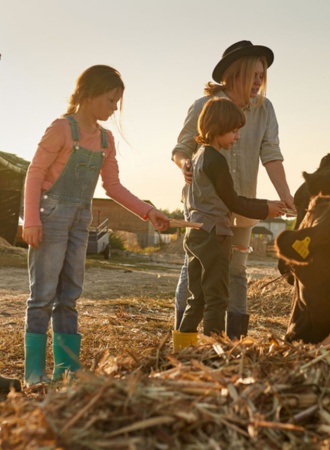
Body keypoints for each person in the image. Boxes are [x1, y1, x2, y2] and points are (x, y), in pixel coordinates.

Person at [22, 65, 169, 386]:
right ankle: (33, 373)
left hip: (80, 220)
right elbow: (34, 174)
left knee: (70, 294)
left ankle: (67, 370)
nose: (114, 108)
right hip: (50, 217)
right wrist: (31, 219)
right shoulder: (61, 129)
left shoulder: (105, 139)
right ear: (89, 94)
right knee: (43, 294)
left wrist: (148, 211)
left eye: (117, 102)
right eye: (111, 99)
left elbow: (113, 187)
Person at [171, 40, 296, 339]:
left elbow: (272, 154)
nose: (258, 82)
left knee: (236, 270)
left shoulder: (265, 110)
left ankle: (233, 342)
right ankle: (183, 338)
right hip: (206, 208)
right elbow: (181, 147)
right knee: (197, 273)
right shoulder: (204, 106)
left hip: (242, 204)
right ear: (233, 74)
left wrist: (287, 197)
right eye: (253, 74)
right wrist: (185, 163)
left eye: (261, 75)